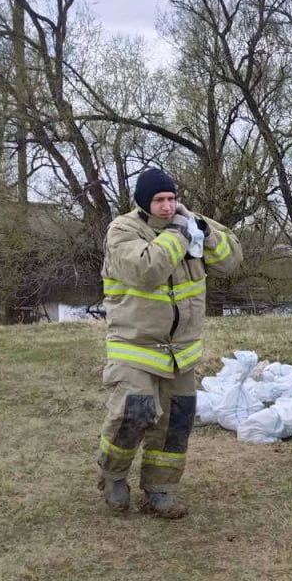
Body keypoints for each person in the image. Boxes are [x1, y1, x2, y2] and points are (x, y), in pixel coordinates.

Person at [95, 167, 242, 518]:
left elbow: (232, 260)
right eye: (159, 200)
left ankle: (159, 490)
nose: (167, 206)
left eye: (172, 198)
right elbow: (146, 271)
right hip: (136, 346)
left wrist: (202, 232)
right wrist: (178, 234)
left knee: (176, 422)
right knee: (135, 412)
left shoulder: (189, 222)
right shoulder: (123, 231)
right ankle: (113, 475)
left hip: (181, 351)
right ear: (144, 203)